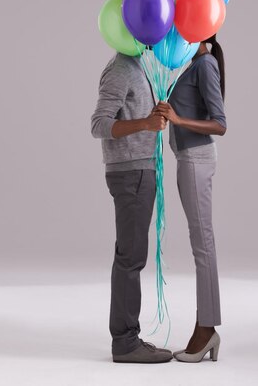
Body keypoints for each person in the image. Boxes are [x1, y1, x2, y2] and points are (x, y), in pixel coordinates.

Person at [91, 51, 173, 363]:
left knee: (131, 255)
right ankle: (125, 343)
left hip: (141, 169)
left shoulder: (139, 65)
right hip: (130, 172)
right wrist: (146, 122)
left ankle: (129, 335)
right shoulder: (121, 67)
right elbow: (99, 123)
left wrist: (153, 115)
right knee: (130, 257)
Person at [153, 34, 226, 363]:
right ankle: (206, 327)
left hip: (197, 159)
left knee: (202, 244)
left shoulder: (206, 64)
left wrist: (179, 120)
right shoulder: (194, 64)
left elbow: (219, 124)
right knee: (201, 242)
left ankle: (207, 328)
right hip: (188, 158)